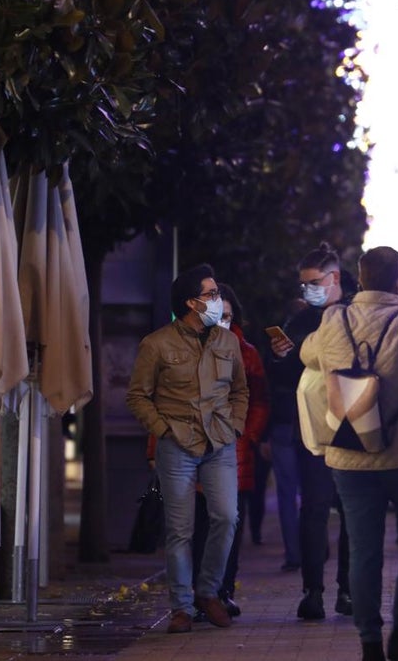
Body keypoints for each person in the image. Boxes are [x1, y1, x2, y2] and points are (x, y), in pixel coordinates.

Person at [300, 245, 398, 661]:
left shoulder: (334, 320)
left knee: (363, 547)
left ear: (360, 277)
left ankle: (369, 641)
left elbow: (307, 354)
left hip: (350, 457)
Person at [126, 263, 249, 633]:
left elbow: (241, 390)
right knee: (180, 529)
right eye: (212, 294)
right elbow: (137, 396)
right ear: (192, 303)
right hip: (177, 445)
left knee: (227, 517)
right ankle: (181, 606)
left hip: (220, 443)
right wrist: (163, 429)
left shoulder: (228, 341)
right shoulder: (157, 344)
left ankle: (208, 592)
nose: (218, 300)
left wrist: (237, 425)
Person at [264, 242, 353, 619]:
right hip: (311, 429)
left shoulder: (355, 314)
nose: (308, 290)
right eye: (303, 284)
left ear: (333, 278)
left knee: (352, 513)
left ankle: (347, 591)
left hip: (351, 427)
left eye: (314, 282)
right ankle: (312, 591)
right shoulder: (299, 321)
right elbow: (282, 379)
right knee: (314, 509)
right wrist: (282, 356)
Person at [216, 283, 270, 615]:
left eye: (227, 316)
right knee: (199, 524)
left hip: (235, 450)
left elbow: (260, 399)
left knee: (231, 522)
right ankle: (201, 590)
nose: (221, 321)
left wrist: (248, 435)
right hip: (197, 448)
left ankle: (223, 589)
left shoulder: (246, 352)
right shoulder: (189, 348)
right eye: (216, 315)